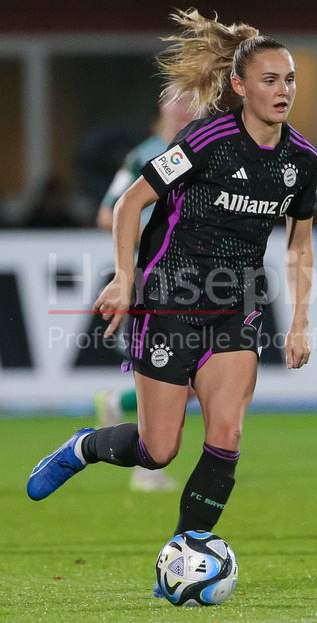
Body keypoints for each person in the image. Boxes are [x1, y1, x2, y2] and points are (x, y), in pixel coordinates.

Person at [27, 8, 317, 597]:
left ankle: (183, 558)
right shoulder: (207, 141)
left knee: (227, 434)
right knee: (158, 450)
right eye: (269, 79)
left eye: (289, 79)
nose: (282, 90)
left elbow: (299, 244)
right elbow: (131, 202)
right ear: (239, 86)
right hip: (169, 303)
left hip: (236, 306)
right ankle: (85, 446)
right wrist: (124, 277)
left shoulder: (301, 161)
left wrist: (300, 323)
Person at [94, 90, 201, 492]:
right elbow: (108, 212)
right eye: (179, 99)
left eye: (193, 100)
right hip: (153, 277)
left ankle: (117, 404)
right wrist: (158, 239)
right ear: (163, 106)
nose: (186, 106)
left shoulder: (207, 147)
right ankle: (147, 469)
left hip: (195, 278)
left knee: (196, 379)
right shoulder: (145, 155)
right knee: (169, 373)